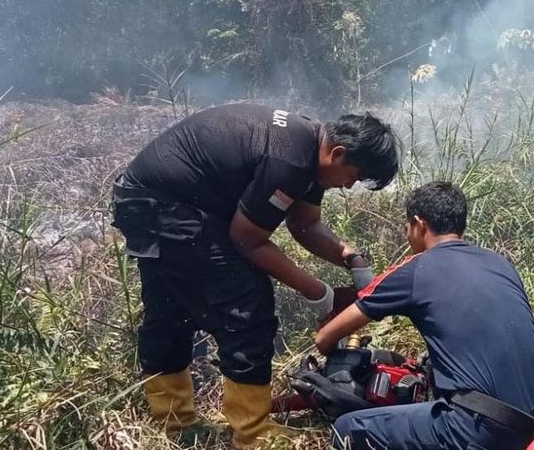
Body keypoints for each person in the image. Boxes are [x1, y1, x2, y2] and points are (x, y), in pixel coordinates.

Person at [110, 103, 398, 448]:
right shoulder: (289, 160)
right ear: (338, 153)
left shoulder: (310, 149)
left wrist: (350, 257)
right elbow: (247, 240)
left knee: (171, 310)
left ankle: (174, 426)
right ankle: (253, 435)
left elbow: (305, 224)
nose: (349, 186)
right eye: (352, 176)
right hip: (165, 207)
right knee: (247, 305)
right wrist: (321, 294)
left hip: (153, 202)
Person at [316, 181, 534, 450]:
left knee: (346, 429)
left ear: (420, 224)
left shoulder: (415, 270)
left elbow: (325, 338)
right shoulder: (500, 263)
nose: (407, 236)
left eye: (406, 228)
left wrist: (331, 357)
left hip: (482, 431)